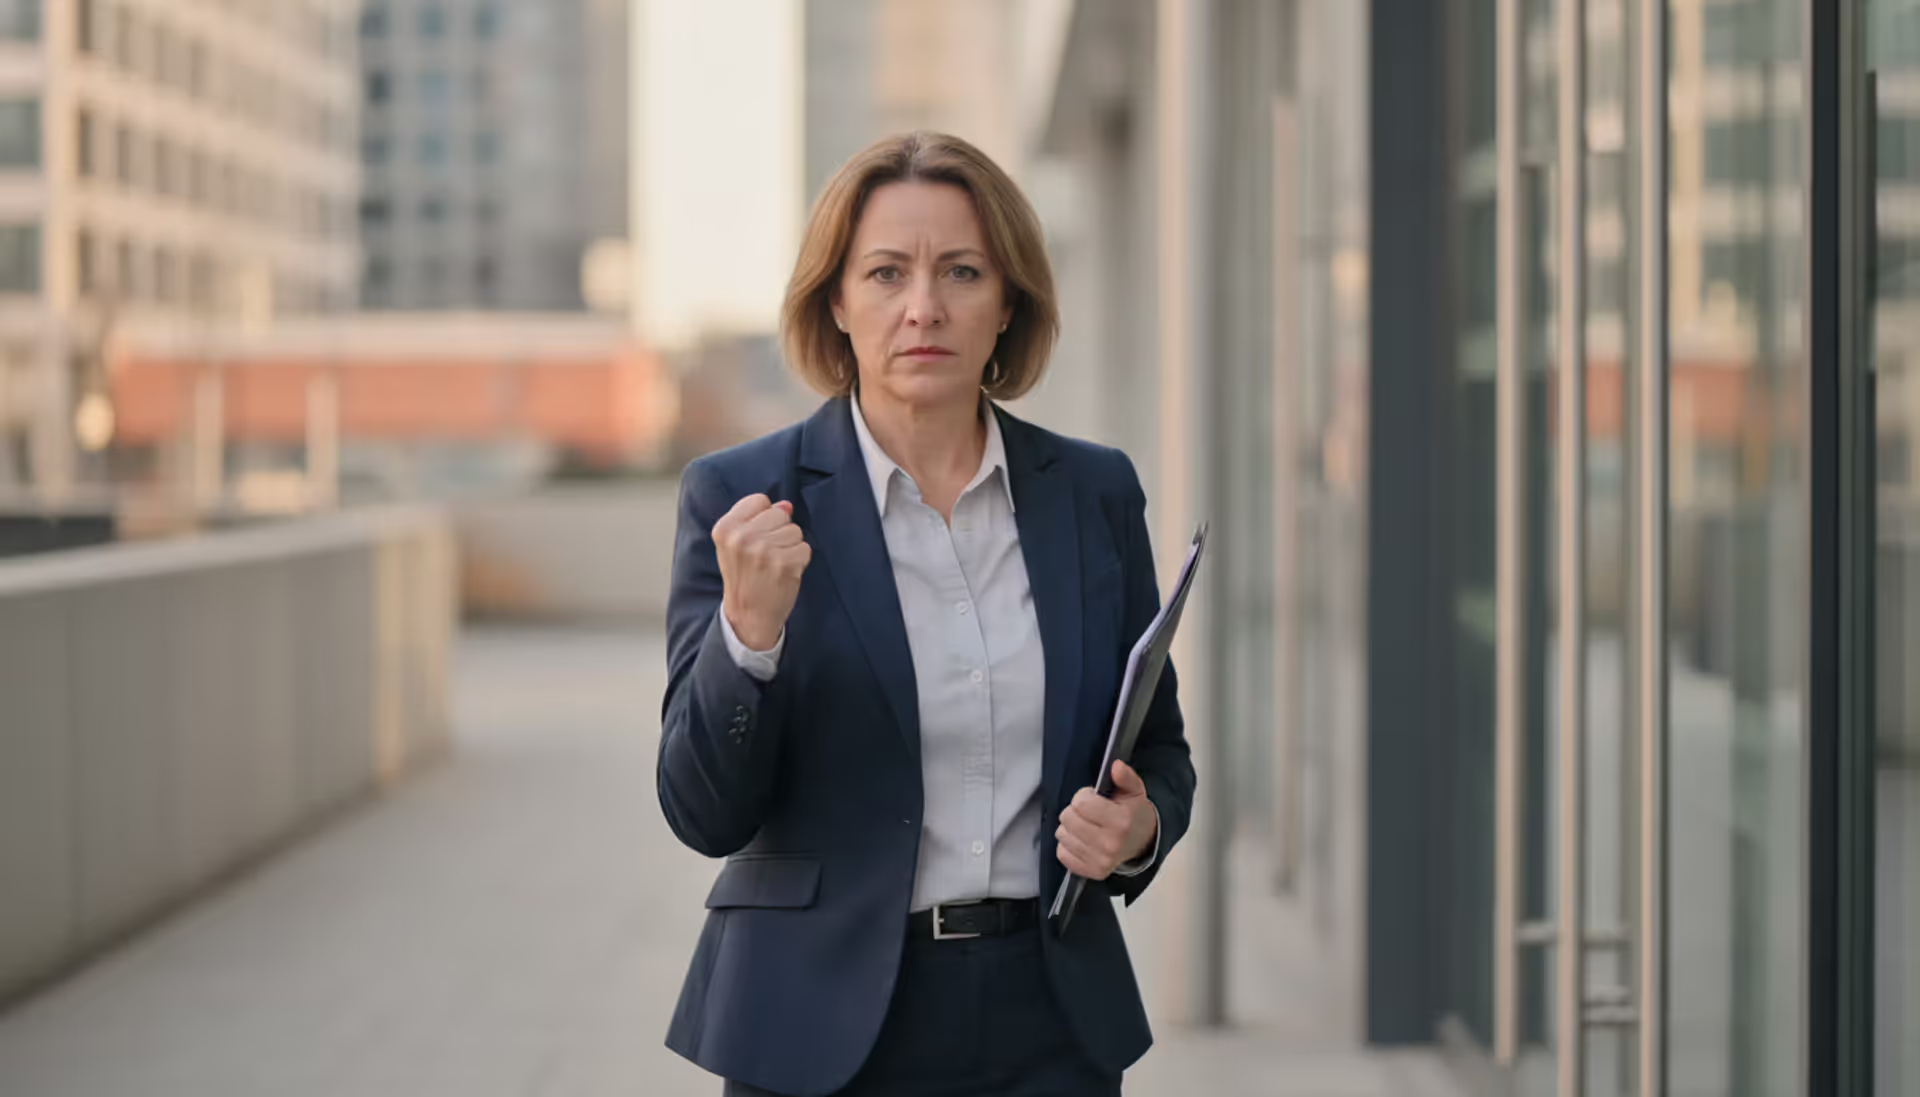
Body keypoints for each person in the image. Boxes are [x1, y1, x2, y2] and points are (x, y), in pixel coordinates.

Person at [658, 130, 1195, 1097]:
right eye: (885, 273)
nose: (924, 308)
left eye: (961, 271)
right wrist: (748, 639)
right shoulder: (742, 499)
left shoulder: (1093, 493)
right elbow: (701, 809)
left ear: (1007, 303)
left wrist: (1140, 827)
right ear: (837, 302)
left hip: (1051, 1020)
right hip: (819, 1029)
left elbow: (1158, 750)